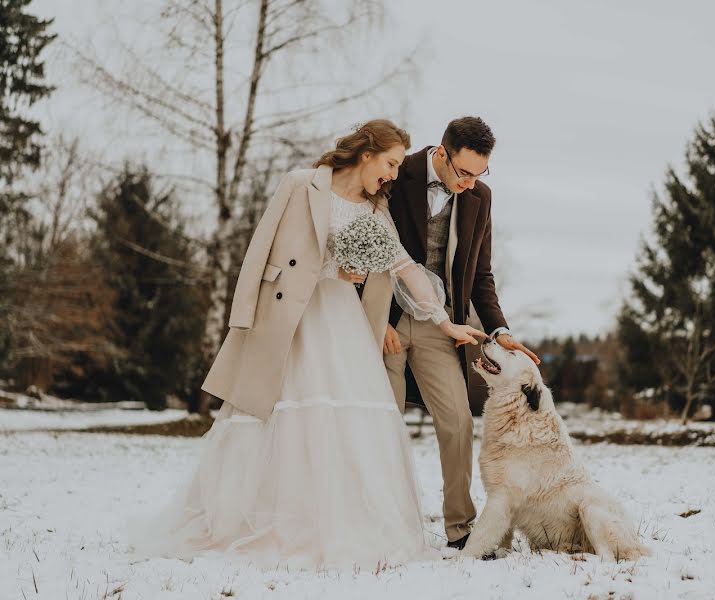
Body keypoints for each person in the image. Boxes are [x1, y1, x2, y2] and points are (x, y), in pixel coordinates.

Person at [130, 119, 486, 568]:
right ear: (367, 154)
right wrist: (249, 315)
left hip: (342, 323)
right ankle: (247, 520)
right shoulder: (300, 185)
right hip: (290, 319)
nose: (394, 174)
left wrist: (444, 321)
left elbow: (405, 266)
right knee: (273, 416)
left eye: (399, 167)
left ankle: (332, 525)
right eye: (392, 163)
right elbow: (262, 252)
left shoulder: (377, 210)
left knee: (344, 424)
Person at [382, 116, 538, 549]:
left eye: (479, 173)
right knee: (384, 422)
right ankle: (387, 522)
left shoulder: (480, 198)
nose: (470, 183)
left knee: (456, 422)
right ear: (441, 154)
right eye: (463, 172)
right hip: (385, 321)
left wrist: (499, 330)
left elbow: (481, 274)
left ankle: (460, 528)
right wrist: (373, 321)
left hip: (442, 323)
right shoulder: (397, 174)